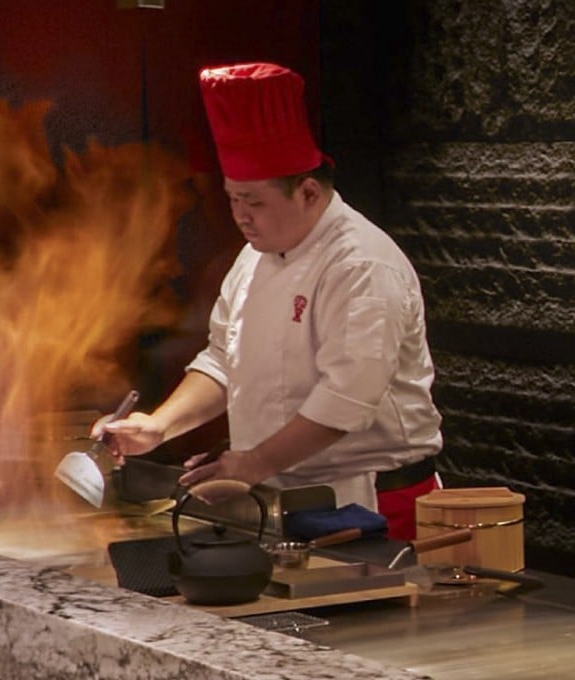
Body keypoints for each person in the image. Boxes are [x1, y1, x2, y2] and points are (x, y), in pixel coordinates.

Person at [98, 61, 443, 540]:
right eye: (232, 199)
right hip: (282, 502)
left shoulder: (361, 264)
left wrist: (254, 462)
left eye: (254, 202)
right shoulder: (254, 258)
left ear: (307, 192)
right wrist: (159, 426)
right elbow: (222, 360)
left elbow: (345, 399)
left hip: (371, 505)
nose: (240, 216)